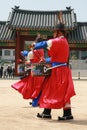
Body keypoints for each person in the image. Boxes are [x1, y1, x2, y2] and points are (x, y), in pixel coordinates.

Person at [33, 23, 76, 120]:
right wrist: (46, 60)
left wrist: (36, 45)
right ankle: (67, 113)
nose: (53, 34)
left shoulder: (58, 41)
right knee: (64, 92)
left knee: (49, 90)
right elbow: (57, 59)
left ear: (59, 32)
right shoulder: (64, 41)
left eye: (54, 32)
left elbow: (45, 43)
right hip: (63, 69)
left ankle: (47, 112)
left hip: (57, 71)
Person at [11, 35, 45, 106]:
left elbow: (29, 62)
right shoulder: (42, 50)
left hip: (34, 70)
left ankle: (35, 102)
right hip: (41, 70)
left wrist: (25, 54)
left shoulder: (32, 52)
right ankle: (37, 101)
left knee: (33, 86)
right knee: (39, 86)